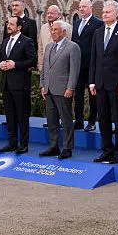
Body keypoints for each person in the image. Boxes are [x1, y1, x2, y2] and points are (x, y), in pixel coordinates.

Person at [88, 0, 118, 164]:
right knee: (103, 118)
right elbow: (94, 59)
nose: (104, 14)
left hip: (116, 85)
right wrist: (91, 81)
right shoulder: (98, 33)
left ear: (116, 14)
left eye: (107, 12)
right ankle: (106, 150)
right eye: (103, 12)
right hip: (99, 84)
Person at [39, 19, 81, 159]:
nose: (53, 32)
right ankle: (54, 146)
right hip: (49, 90)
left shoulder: (72, 47)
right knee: (51, 120)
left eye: (56, 29)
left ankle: (67, 148)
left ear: (64, 31)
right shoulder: (49, 46)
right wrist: (43, 85)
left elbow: (74, 71)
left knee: (66, 120)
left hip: (63, 90)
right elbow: (45, 68)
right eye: (52, 29)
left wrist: (70, 88)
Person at [0, 15, 36, 154]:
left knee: (22, 116)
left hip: (20, 85)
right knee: (10, 115)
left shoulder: (27, 41)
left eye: (12, 24)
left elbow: (32, 60)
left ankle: (23, 144)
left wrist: (16, 64)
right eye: (8, 23)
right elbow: (1, 59)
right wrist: (0, 64)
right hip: (7, 84)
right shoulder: (6, 41)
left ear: (19, 27)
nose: (8, 26)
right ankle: (12, 143)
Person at [72, 0, 103, 132]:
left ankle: (91, 121)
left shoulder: (98, 23)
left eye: (84, 6)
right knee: (77, 94)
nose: (81, 9)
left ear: (91, 7)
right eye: (80, 7)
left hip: (91, 65)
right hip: (78, 64)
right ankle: (78, 120)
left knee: (92, 95)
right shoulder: (76, 23)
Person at [36, 4, 71, 72]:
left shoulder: (67, 27)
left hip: (61, 65)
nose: (49, 15)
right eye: (48, 13)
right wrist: (40, 65)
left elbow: (69, 46)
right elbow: (40, 47)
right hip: (46, 64)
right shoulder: (43, 28)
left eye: (51, 13)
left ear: (59, 14)